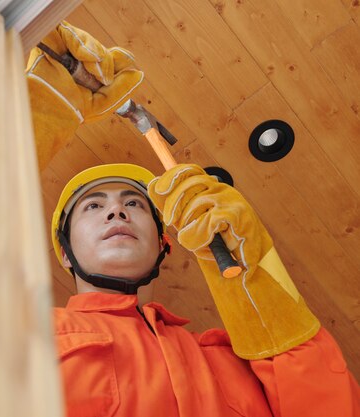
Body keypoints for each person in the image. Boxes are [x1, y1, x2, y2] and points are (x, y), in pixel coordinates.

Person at [27, 21, 360, 417]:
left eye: (134, 204)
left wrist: (258, 290)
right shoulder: (26, 340)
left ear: (166, 242)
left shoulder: (234, 364)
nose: (116, 210)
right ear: (64, 254)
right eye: (93, 207)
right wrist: (38, 113)